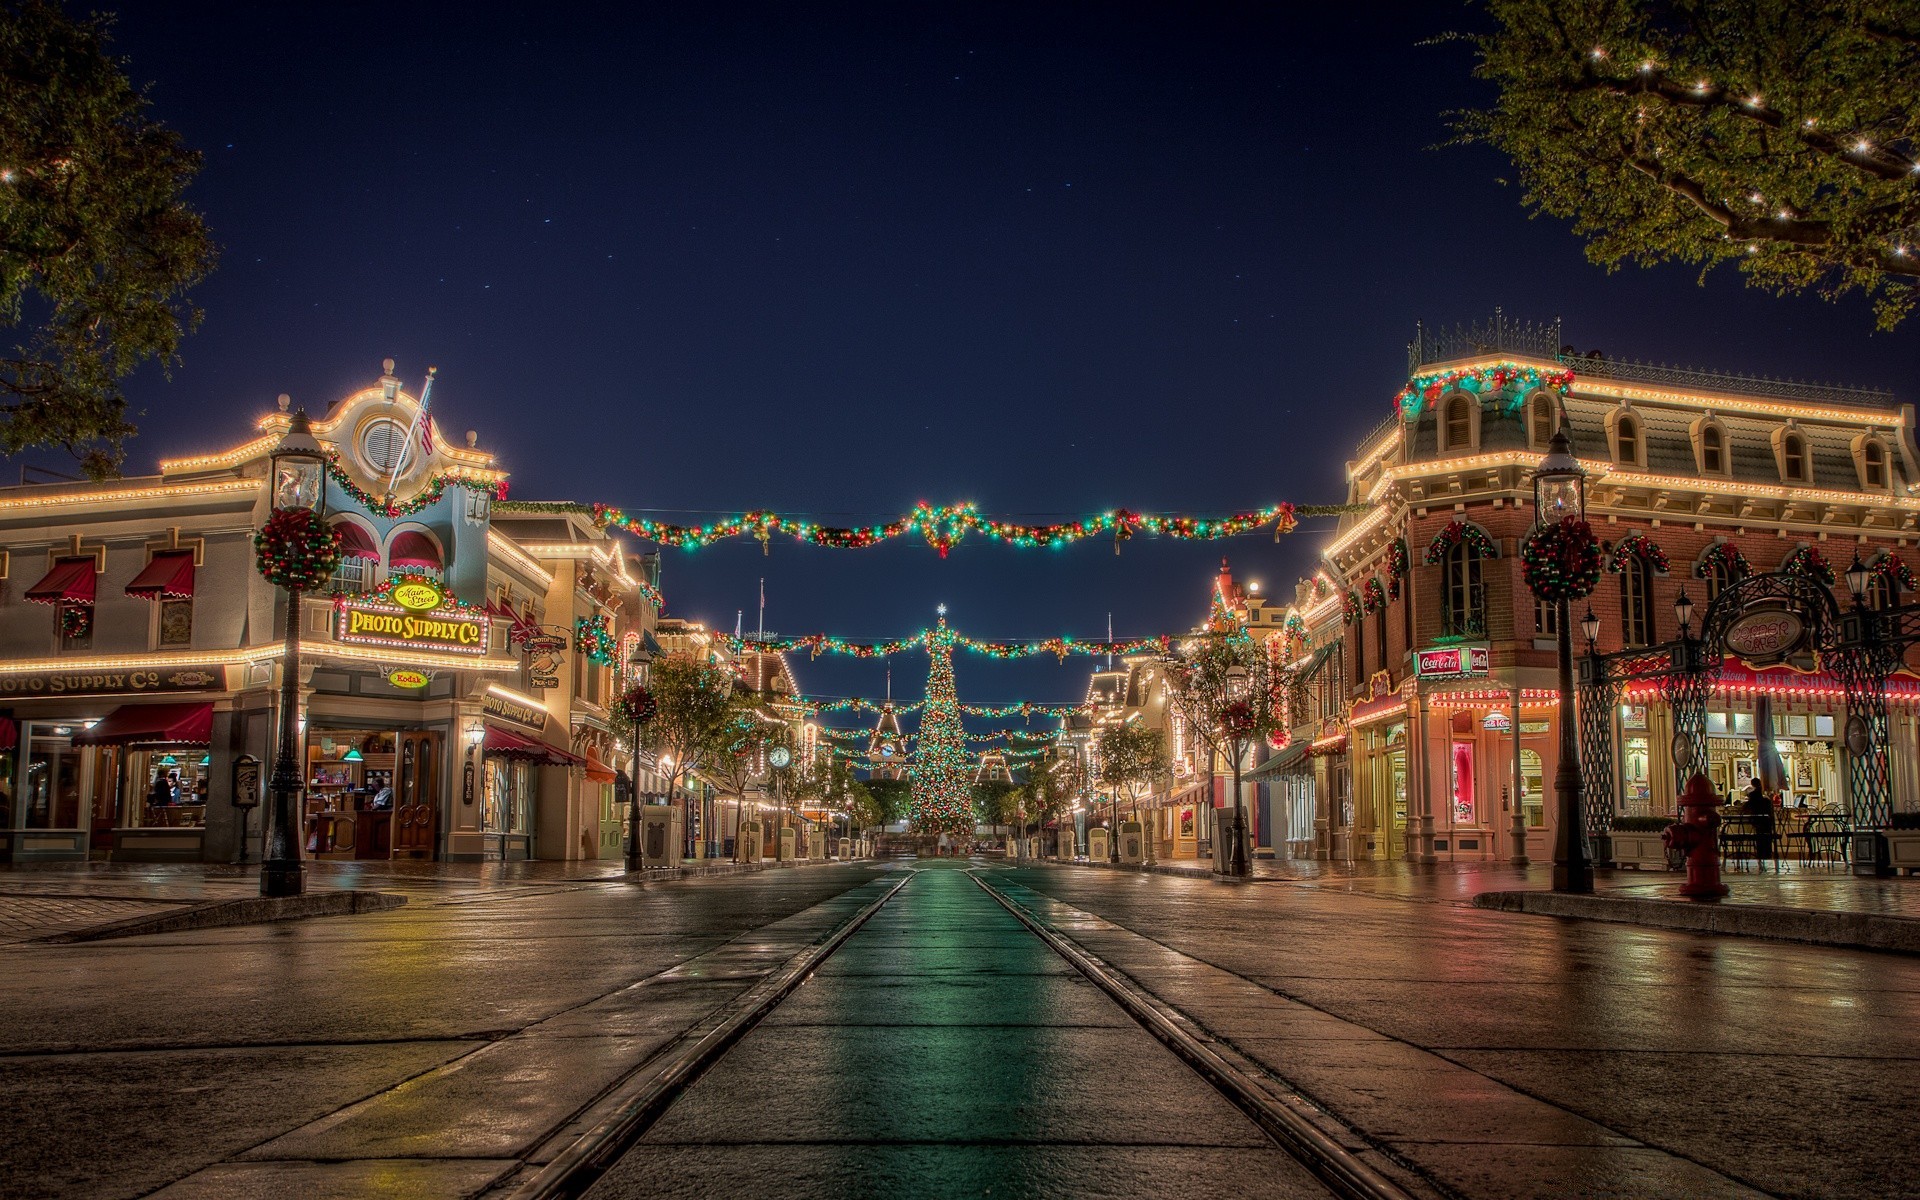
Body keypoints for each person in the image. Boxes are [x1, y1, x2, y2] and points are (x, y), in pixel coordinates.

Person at [1742, 776, 1777, 869]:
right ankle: (1766, 853)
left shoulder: (1753, 795)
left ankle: (1761, 853)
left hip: (1758, 822)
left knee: (1759, 836)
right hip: (1766, 823)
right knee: (1764, 837)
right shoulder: (1766, 798)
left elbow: (1746, 808)